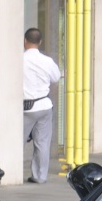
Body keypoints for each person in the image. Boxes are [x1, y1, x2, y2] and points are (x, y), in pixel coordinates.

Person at [23, 27, 62, 184]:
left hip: (25, 108)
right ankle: (40, 176)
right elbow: (56, 77)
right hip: (44, 105)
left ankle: (9, 173)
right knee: (42, 143)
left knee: (16, 141)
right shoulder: (47, 61)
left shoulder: (20, 59)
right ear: (40, 42)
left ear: (25, 41)